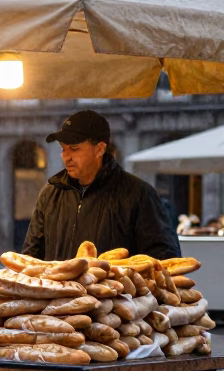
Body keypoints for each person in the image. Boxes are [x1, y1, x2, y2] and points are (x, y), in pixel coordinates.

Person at [23, 109, 180, 261]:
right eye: (63, 149)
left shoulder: (139, 194)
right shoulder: (50, 193)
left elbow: (164, 260)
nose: (66, 157)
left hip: (116, 289)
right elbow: (31, 256)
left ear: (99, 149)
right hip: (57, 288)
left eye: (74, 149)